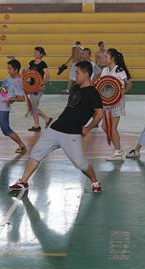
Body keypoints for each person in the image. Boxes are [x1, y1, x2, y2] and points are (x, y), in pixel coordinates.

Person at [9, 61, 104, 193]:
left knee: (80, 163)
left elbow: (99, 113)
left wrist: (88, 128)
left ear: (86, 74)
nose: (75, 75)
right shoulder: (75, 88)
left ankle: (95, 181)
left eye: (77, 73)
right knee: (36, 153)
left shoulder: (93, 93)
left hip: (71, 133)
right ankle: (23, 181)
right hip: (55, 128)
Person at [101, 48, 133, 162]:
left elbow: (129, 84)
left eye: (106, 56)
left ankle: (118, 151)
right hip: (106, 101)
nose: (104, 58)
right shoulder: (105, 70)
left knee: (112, 127)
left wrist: (122, 93)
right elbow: (102, 84)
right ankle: (118, 149)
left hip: (117, 102)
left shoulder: (119, 70)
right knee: (104, 126)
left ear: (112, 58)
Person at [24, 47, 53, 132]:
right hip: (31, 87)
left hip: (38, 88)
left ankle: (46, 119)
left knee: (33, 107)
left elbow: (48, 76)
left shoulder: (43, 64)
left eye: (36, 53)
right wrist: (24, 71)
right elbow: (25, 71)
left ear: (41, 54)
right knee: (33, 107)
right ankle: (37, 125)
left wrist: (42, 84)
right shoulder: (31, 62)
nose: (34, 54)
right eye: (34, 52)